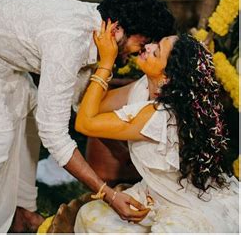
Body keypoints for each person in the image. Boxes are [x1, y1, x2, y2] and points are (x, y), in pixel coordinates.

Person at [0, 0, 175, 232]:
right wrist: (107, 194)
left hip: (2, 53)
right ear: (117, 29)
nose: (140, 54)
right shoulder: (69, 41)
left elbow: (83, 105)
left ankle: (23, 214)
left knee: (29, 114)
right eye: (142, 43)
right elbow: (55, 134)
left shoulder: (100, 31)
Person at [73, 23, 239, 232]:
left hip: (187, 207)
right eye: (155, 44)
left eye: (157, 51)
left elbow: (84, 123)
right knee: (89, 216)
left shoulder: (161, 116)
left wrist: (106, 62)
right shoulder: (143, 86)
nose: (148, 46)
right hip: (154, 196)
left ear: (168, 77)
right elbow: (92, 108)